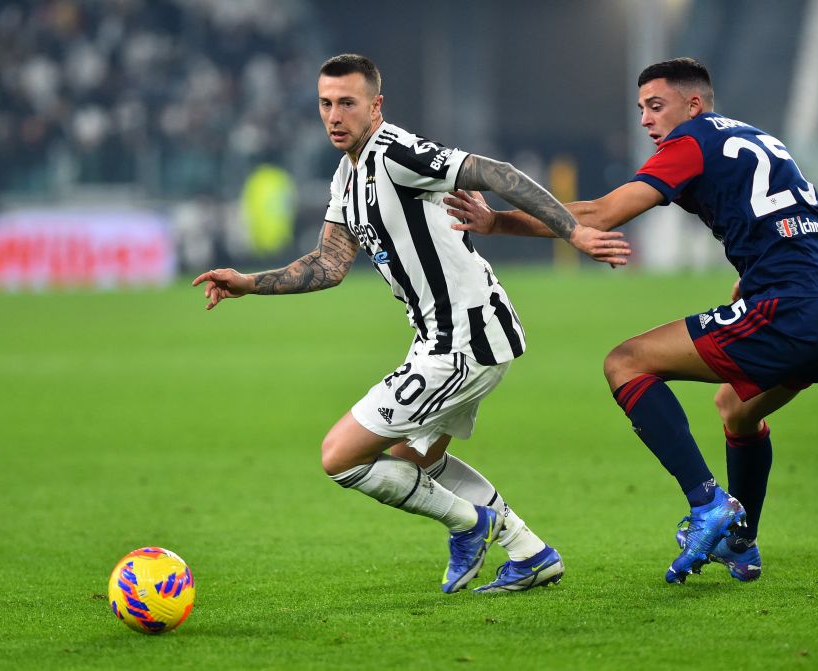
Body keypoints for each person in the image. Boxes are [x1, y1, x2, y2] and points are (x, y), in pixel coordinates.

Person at [193, 54, 630, 593]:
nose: (334, 115)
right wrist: (248, 283)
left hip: (462, 341)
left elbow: (499, 174)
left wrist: (573, 232)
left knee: (342, 458)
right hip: (453, 339)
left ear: (376, 106)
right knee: (411, 459)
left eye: (348, 103)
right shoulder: (347, 175)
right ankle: (529, 552)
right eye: (326, 104)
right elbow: (329, 264)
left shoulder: (394, 152)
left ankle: (473, 524)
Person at [445, 57, 818, 584]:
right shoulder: (757, 139)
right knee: (736, 408)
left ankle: (707, 502)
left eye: (656, 105)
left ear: (694, 104)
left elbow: (600, 213)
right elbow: (789, 221)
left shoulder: (692, 142)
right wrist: (753, 277)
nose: (645, 119)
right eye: (642, 107)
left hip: (790, 308)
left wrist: (497, 222)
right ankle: (741, 543)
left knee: (626, 363)